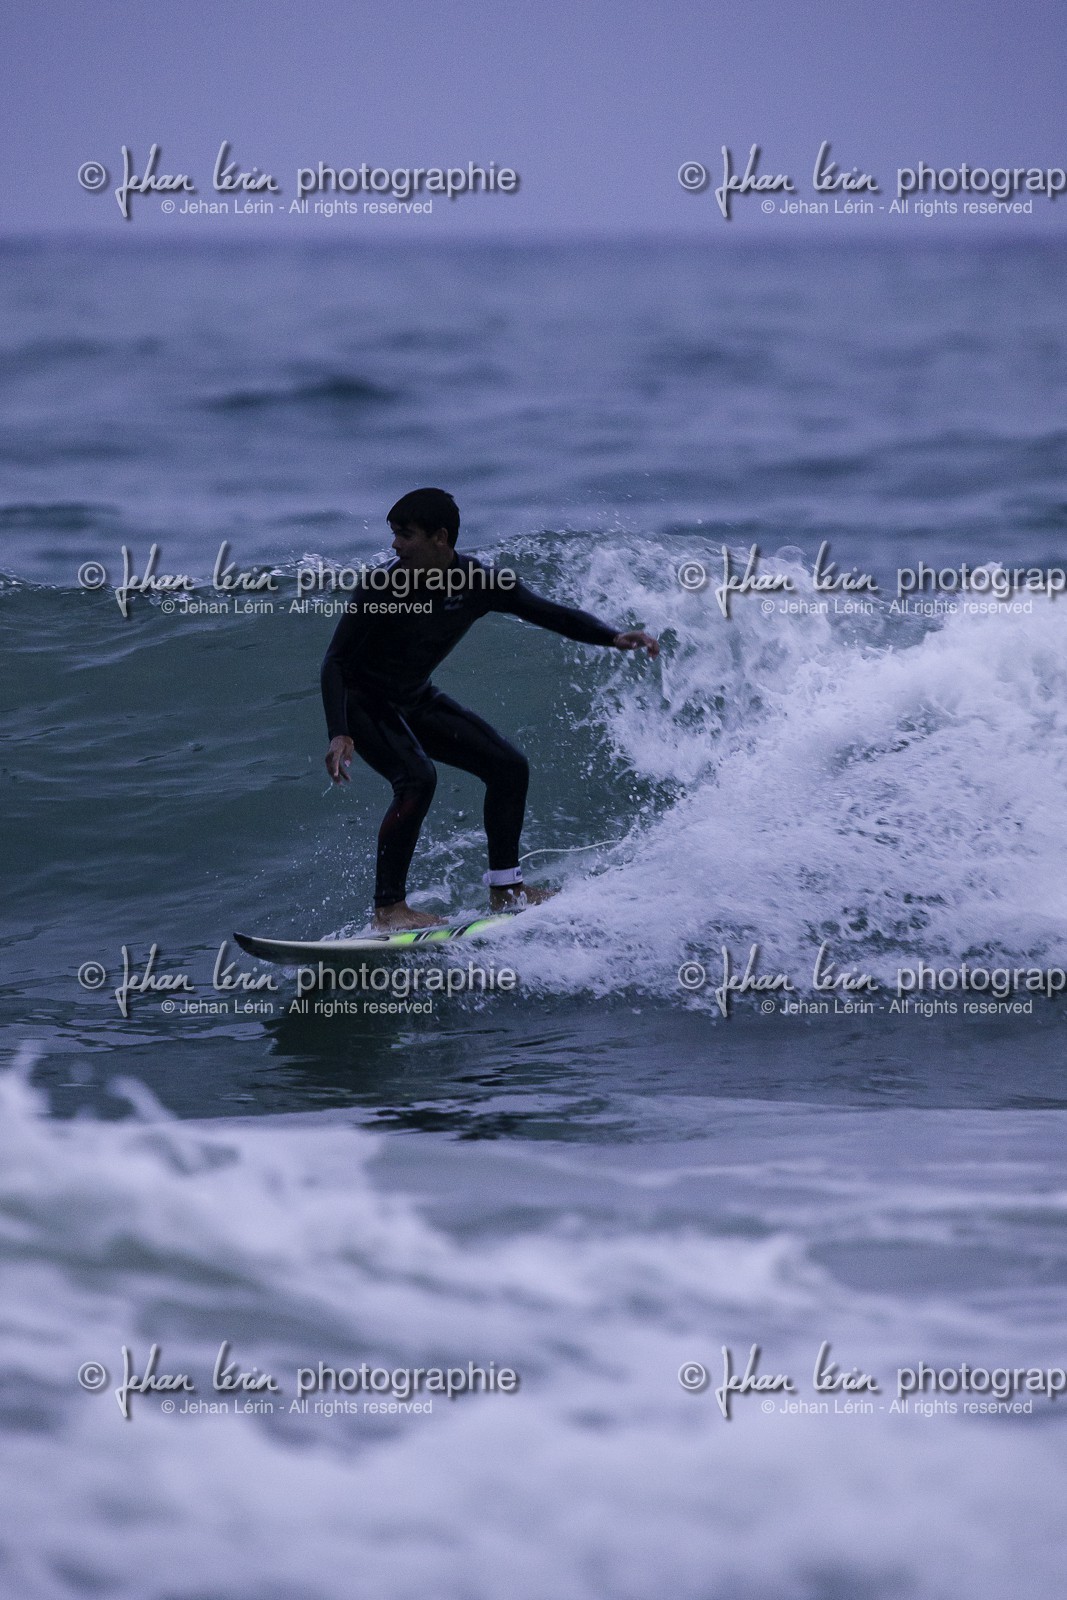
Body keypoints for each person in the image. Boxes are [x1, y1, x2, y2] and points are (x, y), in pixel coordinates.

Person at [322, 488, 659, 930]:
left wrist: (611, 636)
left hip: (413, 697)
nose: (395, 545)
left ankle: (506, 889)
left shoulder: (478, 583)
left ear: (440, 537)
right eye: (394, 534)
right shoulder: (383, 586)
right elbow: (336, 662)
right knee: (417, 778)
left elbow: (547, 613)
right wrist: (339, 731)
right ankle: (388, 910)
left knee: (508, 766)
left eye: (405, 534)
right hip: (363, 701)